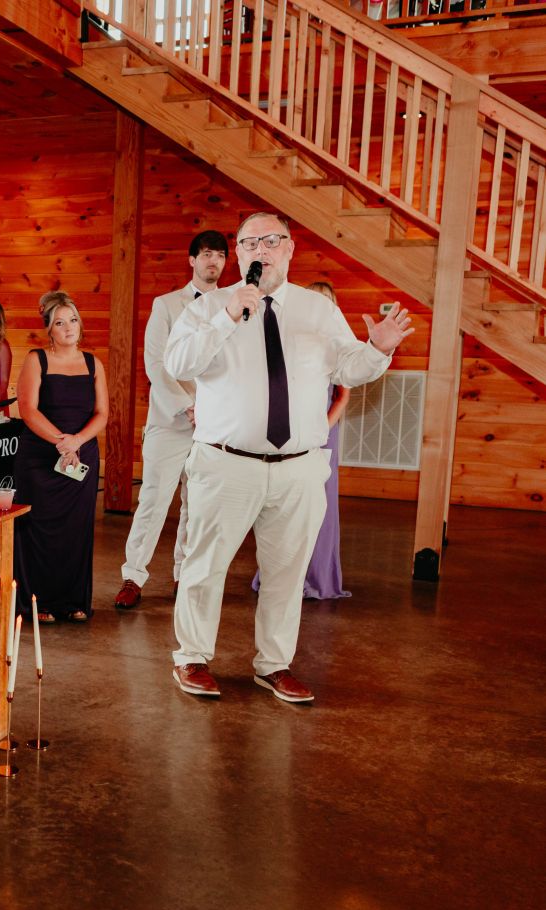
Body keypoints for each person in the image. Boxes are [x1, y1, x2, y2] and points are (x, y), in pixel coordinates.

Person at [164, 212, 412, 703]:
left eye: (272, 240)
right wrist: (227, 316)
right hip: (226, 463)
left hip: (298, 467)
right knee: (204, 566)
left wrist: (378, 350)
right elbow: (179, 363)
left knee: (287, 571)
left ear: (290, 249)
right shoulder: (209, 307)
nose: (261, 249)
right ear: (238, 254)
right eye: (250, 242)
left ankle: (274, 665)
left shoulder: (317, 310)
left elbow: (349, 368)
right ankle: (191, 657)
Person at [115, 229, 229, 611]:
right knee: (153, 501)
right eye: (207, 254)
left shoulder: (232, 307)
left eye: (220, 255)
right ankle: (133, 576)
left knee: (197, 506)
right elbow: (156, 363)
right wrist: (187, 406)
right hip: (170, 420)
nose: (214, 261)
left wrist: (215, 410)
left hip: (214, 426)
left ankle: (184, 576)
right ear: (192, 260)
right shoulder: (165, 305)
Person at [252, 280, 352, 600]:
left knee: (318, 507)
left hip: (322, 434)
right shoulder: (286, 337)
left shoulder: (336, 345)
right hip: (289, 434)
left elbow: (342, 396)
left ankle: (317, 577)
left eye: (326, 301)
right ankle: (279, 575)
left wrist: (319, 432)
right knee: (284, 507)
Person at [14, 291, 108, 623]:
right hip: (40, 459)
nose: (69, 328)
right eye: (59, 323)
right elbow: (28, 409)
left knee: (76, 530)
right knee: (38, 529)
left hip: (81, 457)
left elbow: (102, 413)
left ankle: (73, 600)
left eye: (73, 320)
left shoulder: (93, 364)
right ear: (49, 329)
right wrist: (61, 443)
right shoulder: (36, 359)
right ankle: (36, 602)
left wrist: (77, 442)